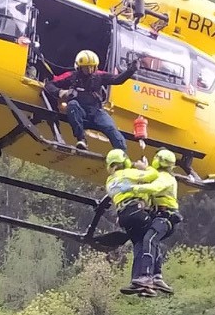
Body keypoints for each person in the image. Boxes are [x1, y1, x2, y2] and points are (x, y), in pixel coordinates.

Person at [104, 148, 175, 297]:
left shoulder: (110, 180)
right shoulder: (130, 173)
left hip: (123, 216)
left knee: (141, 243)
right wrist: (144, 168)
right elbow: (152, 176)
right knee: (150, 239)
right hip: (137, 212)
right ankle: (152, 277)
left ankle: (139, 279)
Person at [45, 50, 142, 152]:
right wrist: (61, 92)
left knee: (110, 127)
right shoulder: (71, 76)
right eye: (87, 67)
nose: (90, 70)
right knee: (72, 105)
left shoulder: (100, 76)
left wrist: (130, 70)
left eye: (92, 67)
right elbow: (49, 85)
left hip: (96, 112)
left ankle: (122, 152)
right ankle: (81, 139)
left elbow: (117, 79)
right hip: (79, 111)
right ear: (79, 67)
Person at [146, 148, 181, 295]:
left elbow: (154, 188)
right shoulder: (165, 176)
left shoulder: (164, 177)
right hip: (161, 216)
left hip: (164, 216)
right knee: (155, 243)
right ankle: (157, 275)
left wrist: (133, 186)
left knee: (149, 240)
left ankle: (147, 275)